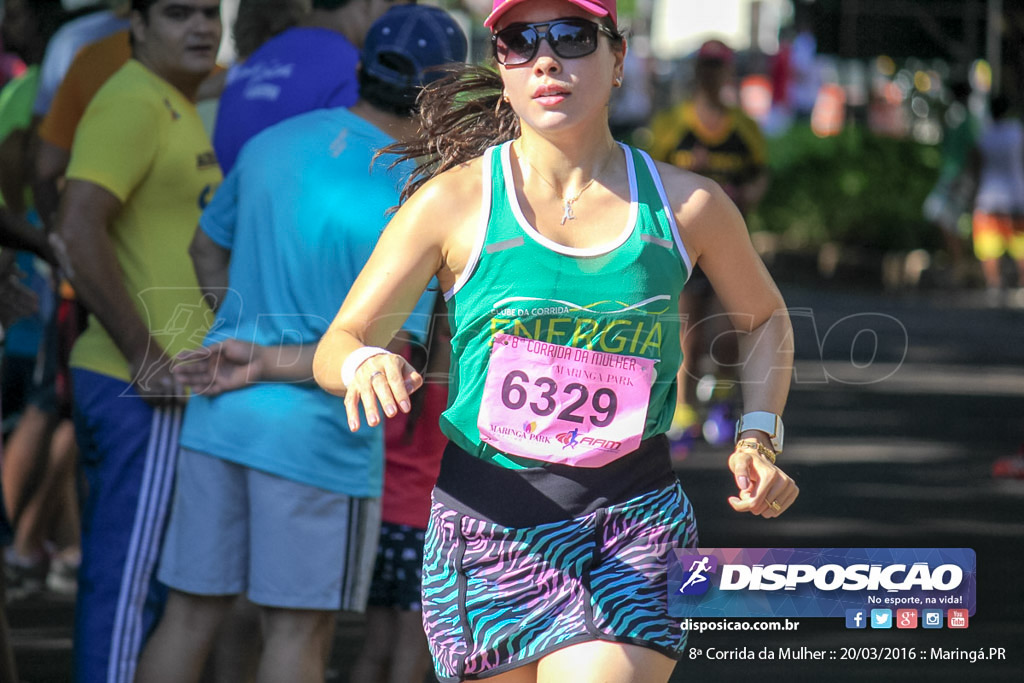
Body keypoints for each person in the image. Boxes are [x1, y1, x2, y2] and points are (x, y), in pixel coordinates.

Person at [313, 2, 799, 682]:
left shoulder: (689, 206)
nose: (547, 58)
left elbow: (766, 318)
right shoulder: (453, 203)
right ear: (502, 68)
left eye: (572, 37)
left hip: (632, 522)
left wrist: (757, 433)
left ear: (618, 58)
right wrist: (362, 360)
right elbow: (338, 340)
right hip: (487, 527)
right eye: (520, 41)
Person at [134, 6, 467, 683]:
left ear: (360, 69)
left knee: (191, 614)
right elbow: (389, 356)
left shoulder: (273, 143)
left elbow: (205, 249)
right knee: (298, 631)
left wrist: (243, 330)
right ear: (444, 92)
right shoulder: (420, 192)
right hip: (320, 437)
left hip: (219, 414)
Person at [51, 1, 223, 680]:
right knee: (126, 586)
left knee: (150, 584)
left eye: (210, 13)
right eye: (180, 14)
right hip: (139, 389)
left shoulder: (165, 99)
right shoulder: (133, 102)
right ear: (139, 26)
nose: (202, 27)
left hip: (162, 388)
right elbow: (76, 226)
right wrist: (144, 351)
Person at [648, 38, 770, 452]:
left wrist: (745, 193)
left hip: (729, 244)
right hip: (682, 244)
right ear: (697, 72)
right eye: (706, 66)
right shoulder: (671, 125)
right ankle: (683, 408)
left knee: (731, 328)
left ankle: (721, 399)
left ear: (728, 73)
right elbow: (649, 178)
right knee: (686, 329)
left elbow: (760, 176)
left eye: (719, 67)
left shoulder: (744, 128)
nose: (712, 75)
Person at [212, 0, 414, 174]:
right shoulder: (352, 68)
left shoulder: (260, 56)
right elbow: (370, 169)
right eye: (391, 4)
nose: (395, 25)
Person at [923, 81, 981, 284]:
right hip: (953, 175)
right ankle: (961, 264)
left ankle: (961, 265)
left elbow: (974, 151)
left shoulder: (963, 118)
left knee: (946, 217)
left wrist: (972, 178)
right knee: (946, 218)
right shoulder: (959, 117)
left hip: (959, 177)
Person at [968, 94, 1024, 301]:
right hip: (1017, 195)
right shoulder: (1017, 132)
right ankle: (1021, 284)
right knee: (1021, 245)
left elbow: (975, 166)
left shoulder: (984, 135)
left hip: (989, 196)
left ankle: (994, 284)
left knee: (988, 244)